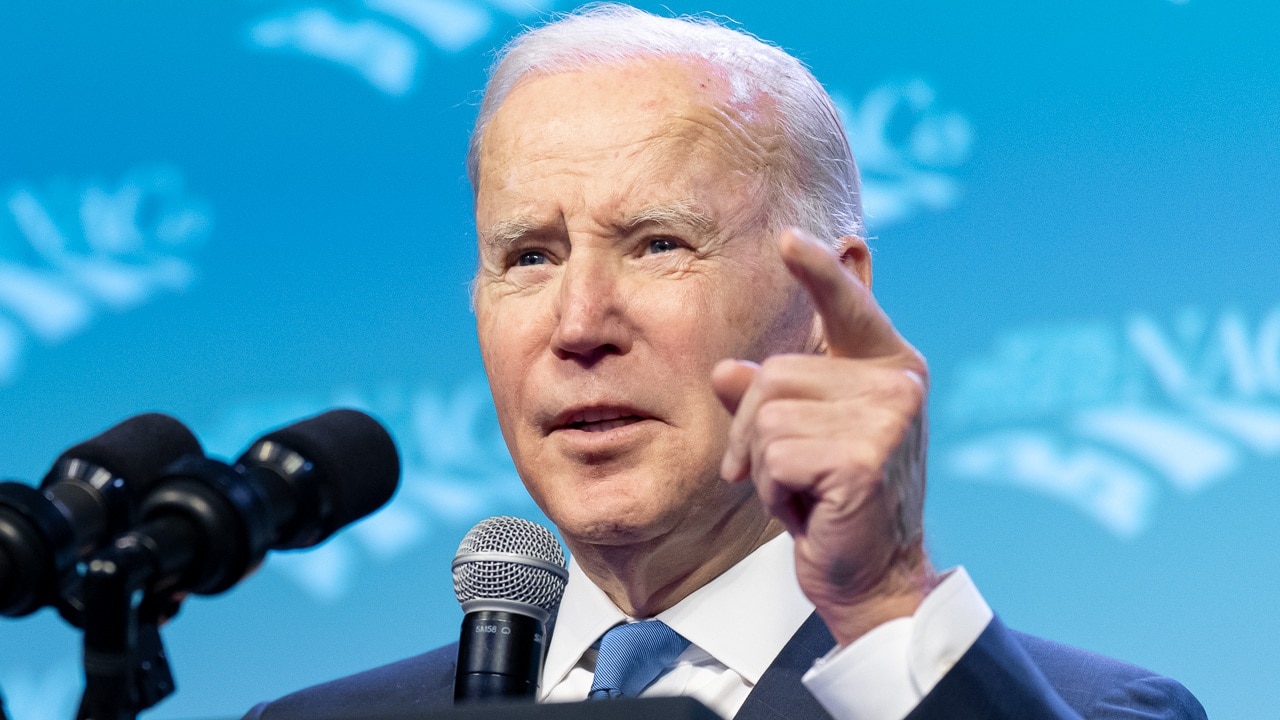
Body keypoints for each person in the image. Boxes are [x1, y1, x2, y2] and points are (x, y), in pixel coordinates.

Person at [246, 5, 1205, 719]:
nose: (579, 324)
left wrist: (881, 602)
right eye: (528, 256)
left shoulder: (1112, 711)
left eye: (659, 243)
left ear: (836, 304)